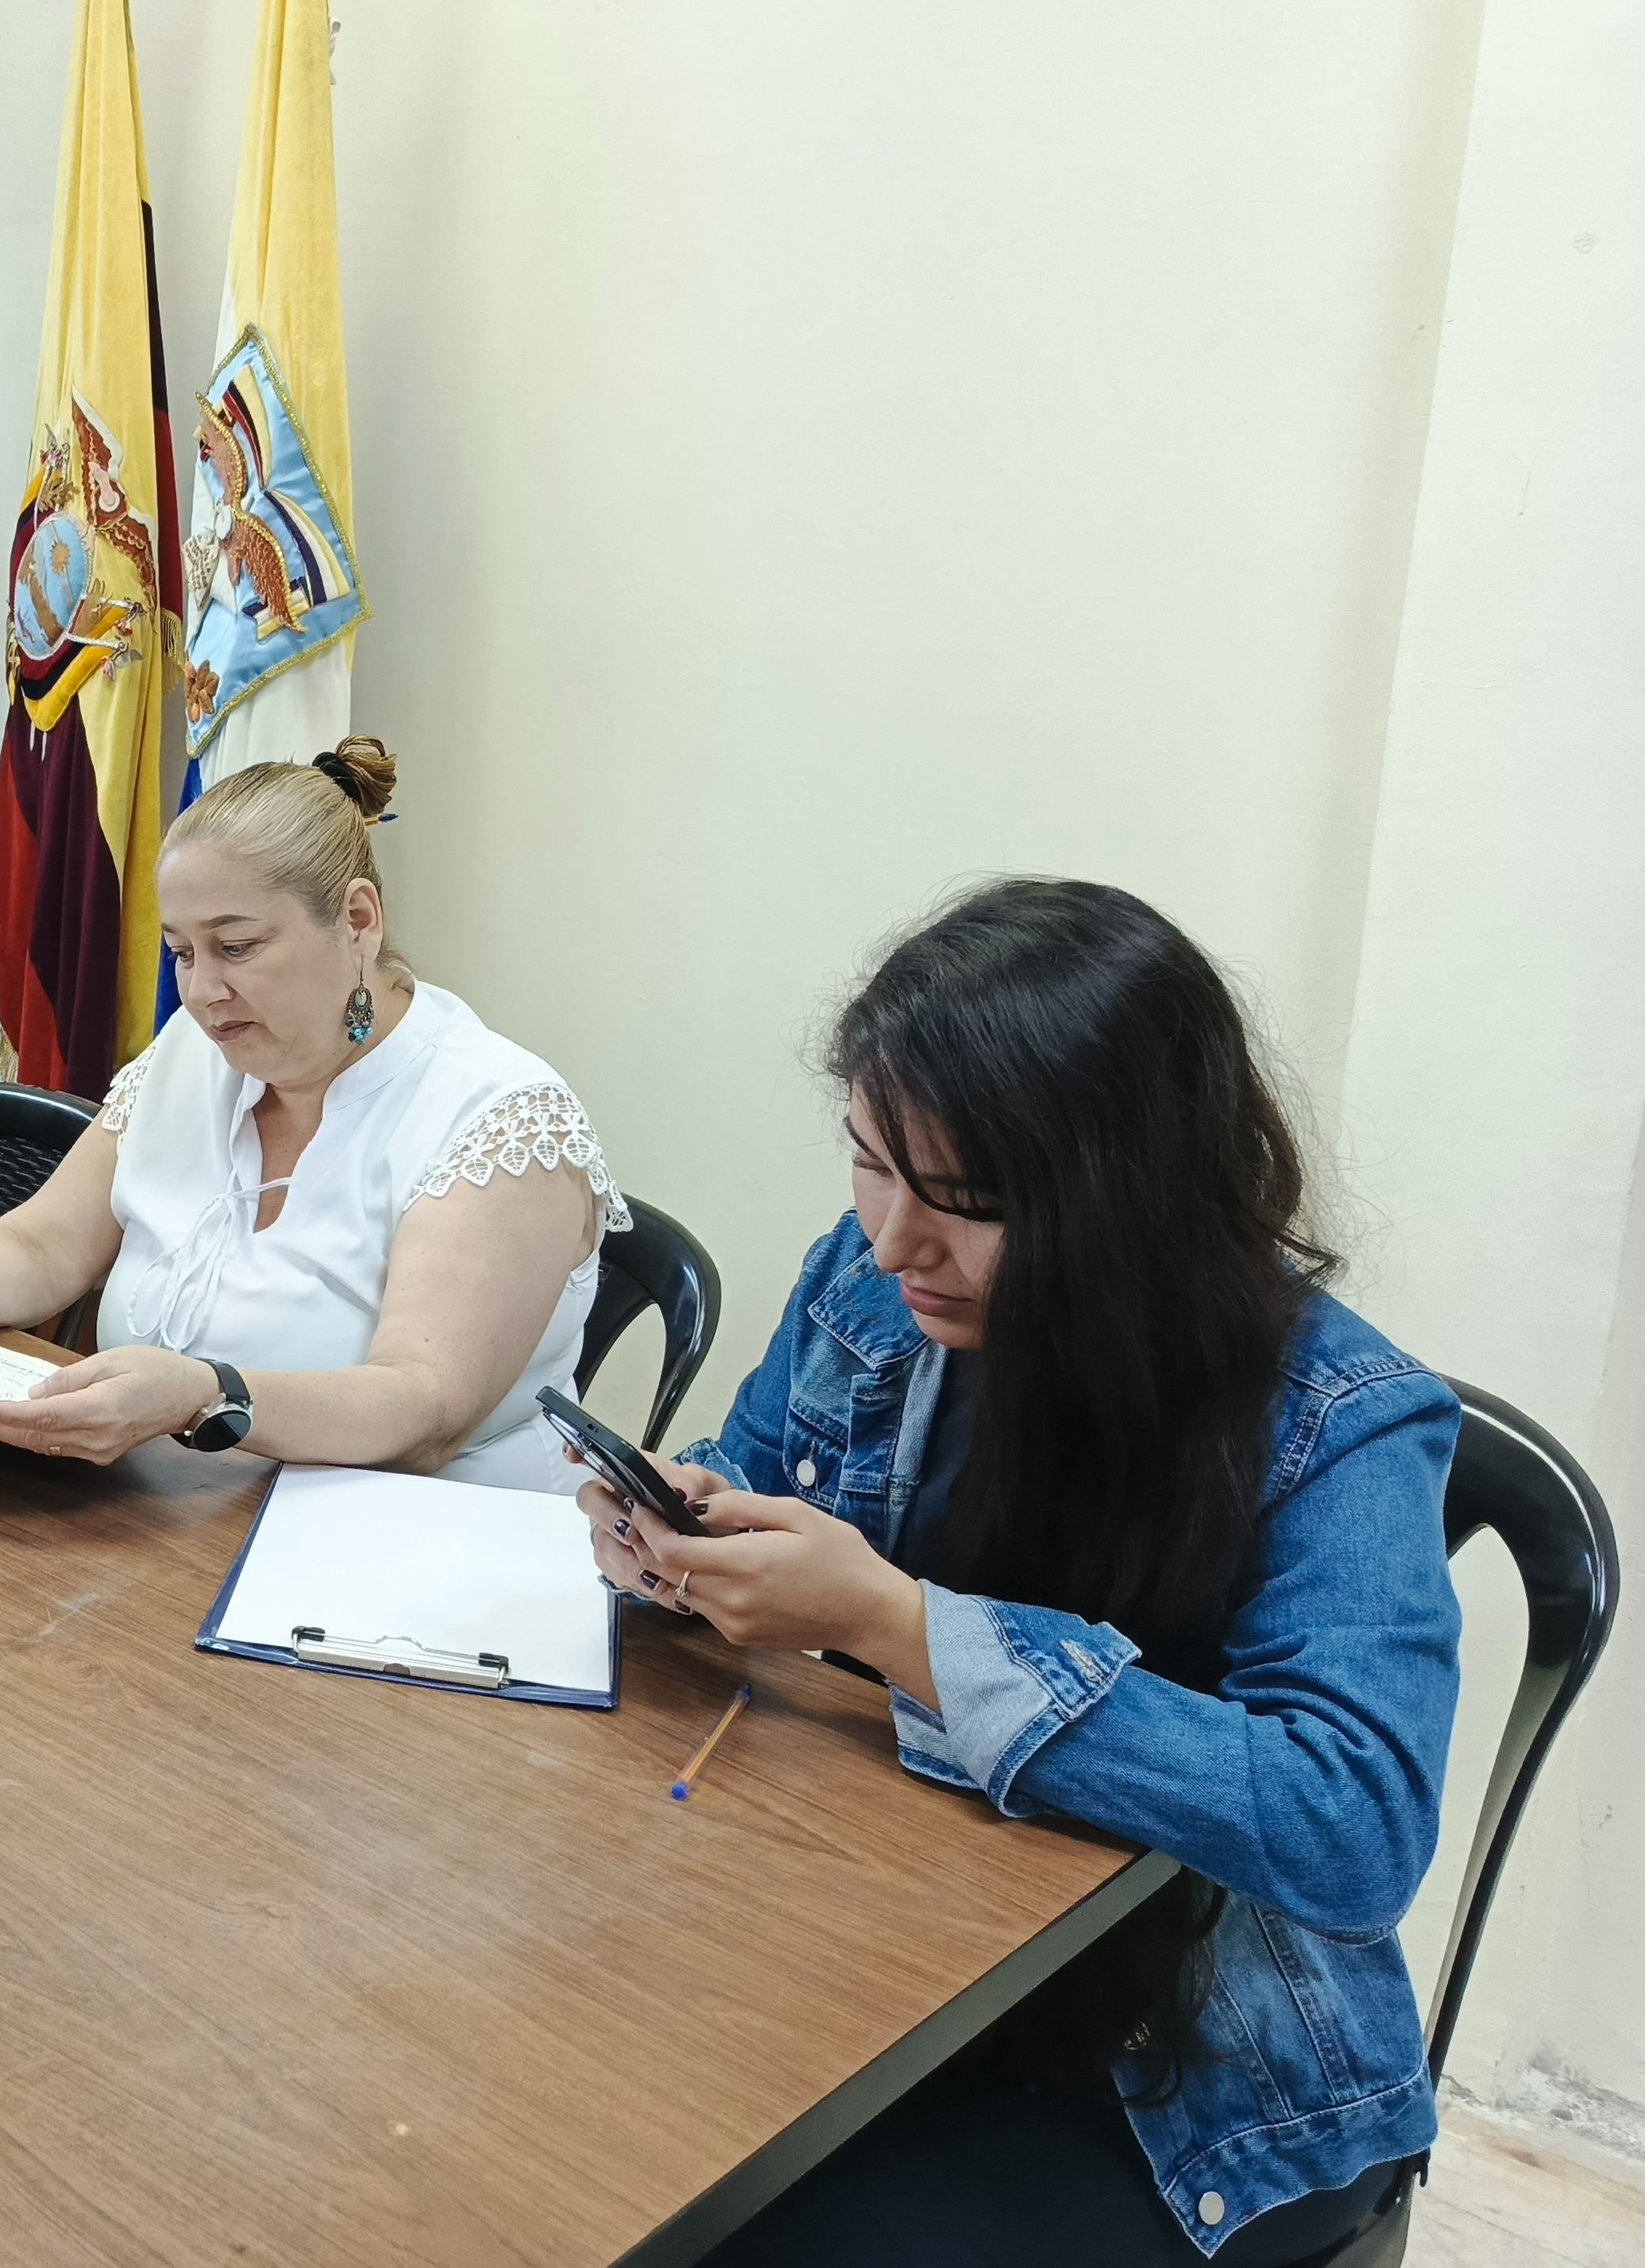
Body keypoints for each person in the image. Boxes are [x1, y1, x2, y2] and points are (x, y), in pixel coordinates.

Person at [589, 881, 1460, 2266]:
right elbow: (748, 1474)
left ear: (1135, 1200)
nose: (892, 1240)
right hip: (887, 1938)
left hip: (1185, 2069)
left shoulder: (1339, 1418)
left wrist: (900, 1626)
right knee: (569, 2120)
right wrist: (680, 1536)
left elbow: (1350, 1829)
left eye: (969, 1201)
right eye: (870, 1163)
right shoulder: (869, 1285)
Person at [0, 738, 631, 1482]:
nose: (199, 993)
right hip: (177, 1524)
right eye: (180, 953)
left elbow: (422, 1409)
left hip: (420, 1568)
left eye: (236, 947)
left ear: (357, 920)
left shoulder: (496, 1115)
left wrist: (204, 1395)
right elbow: (41, 1249)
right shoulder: (195, 1053)